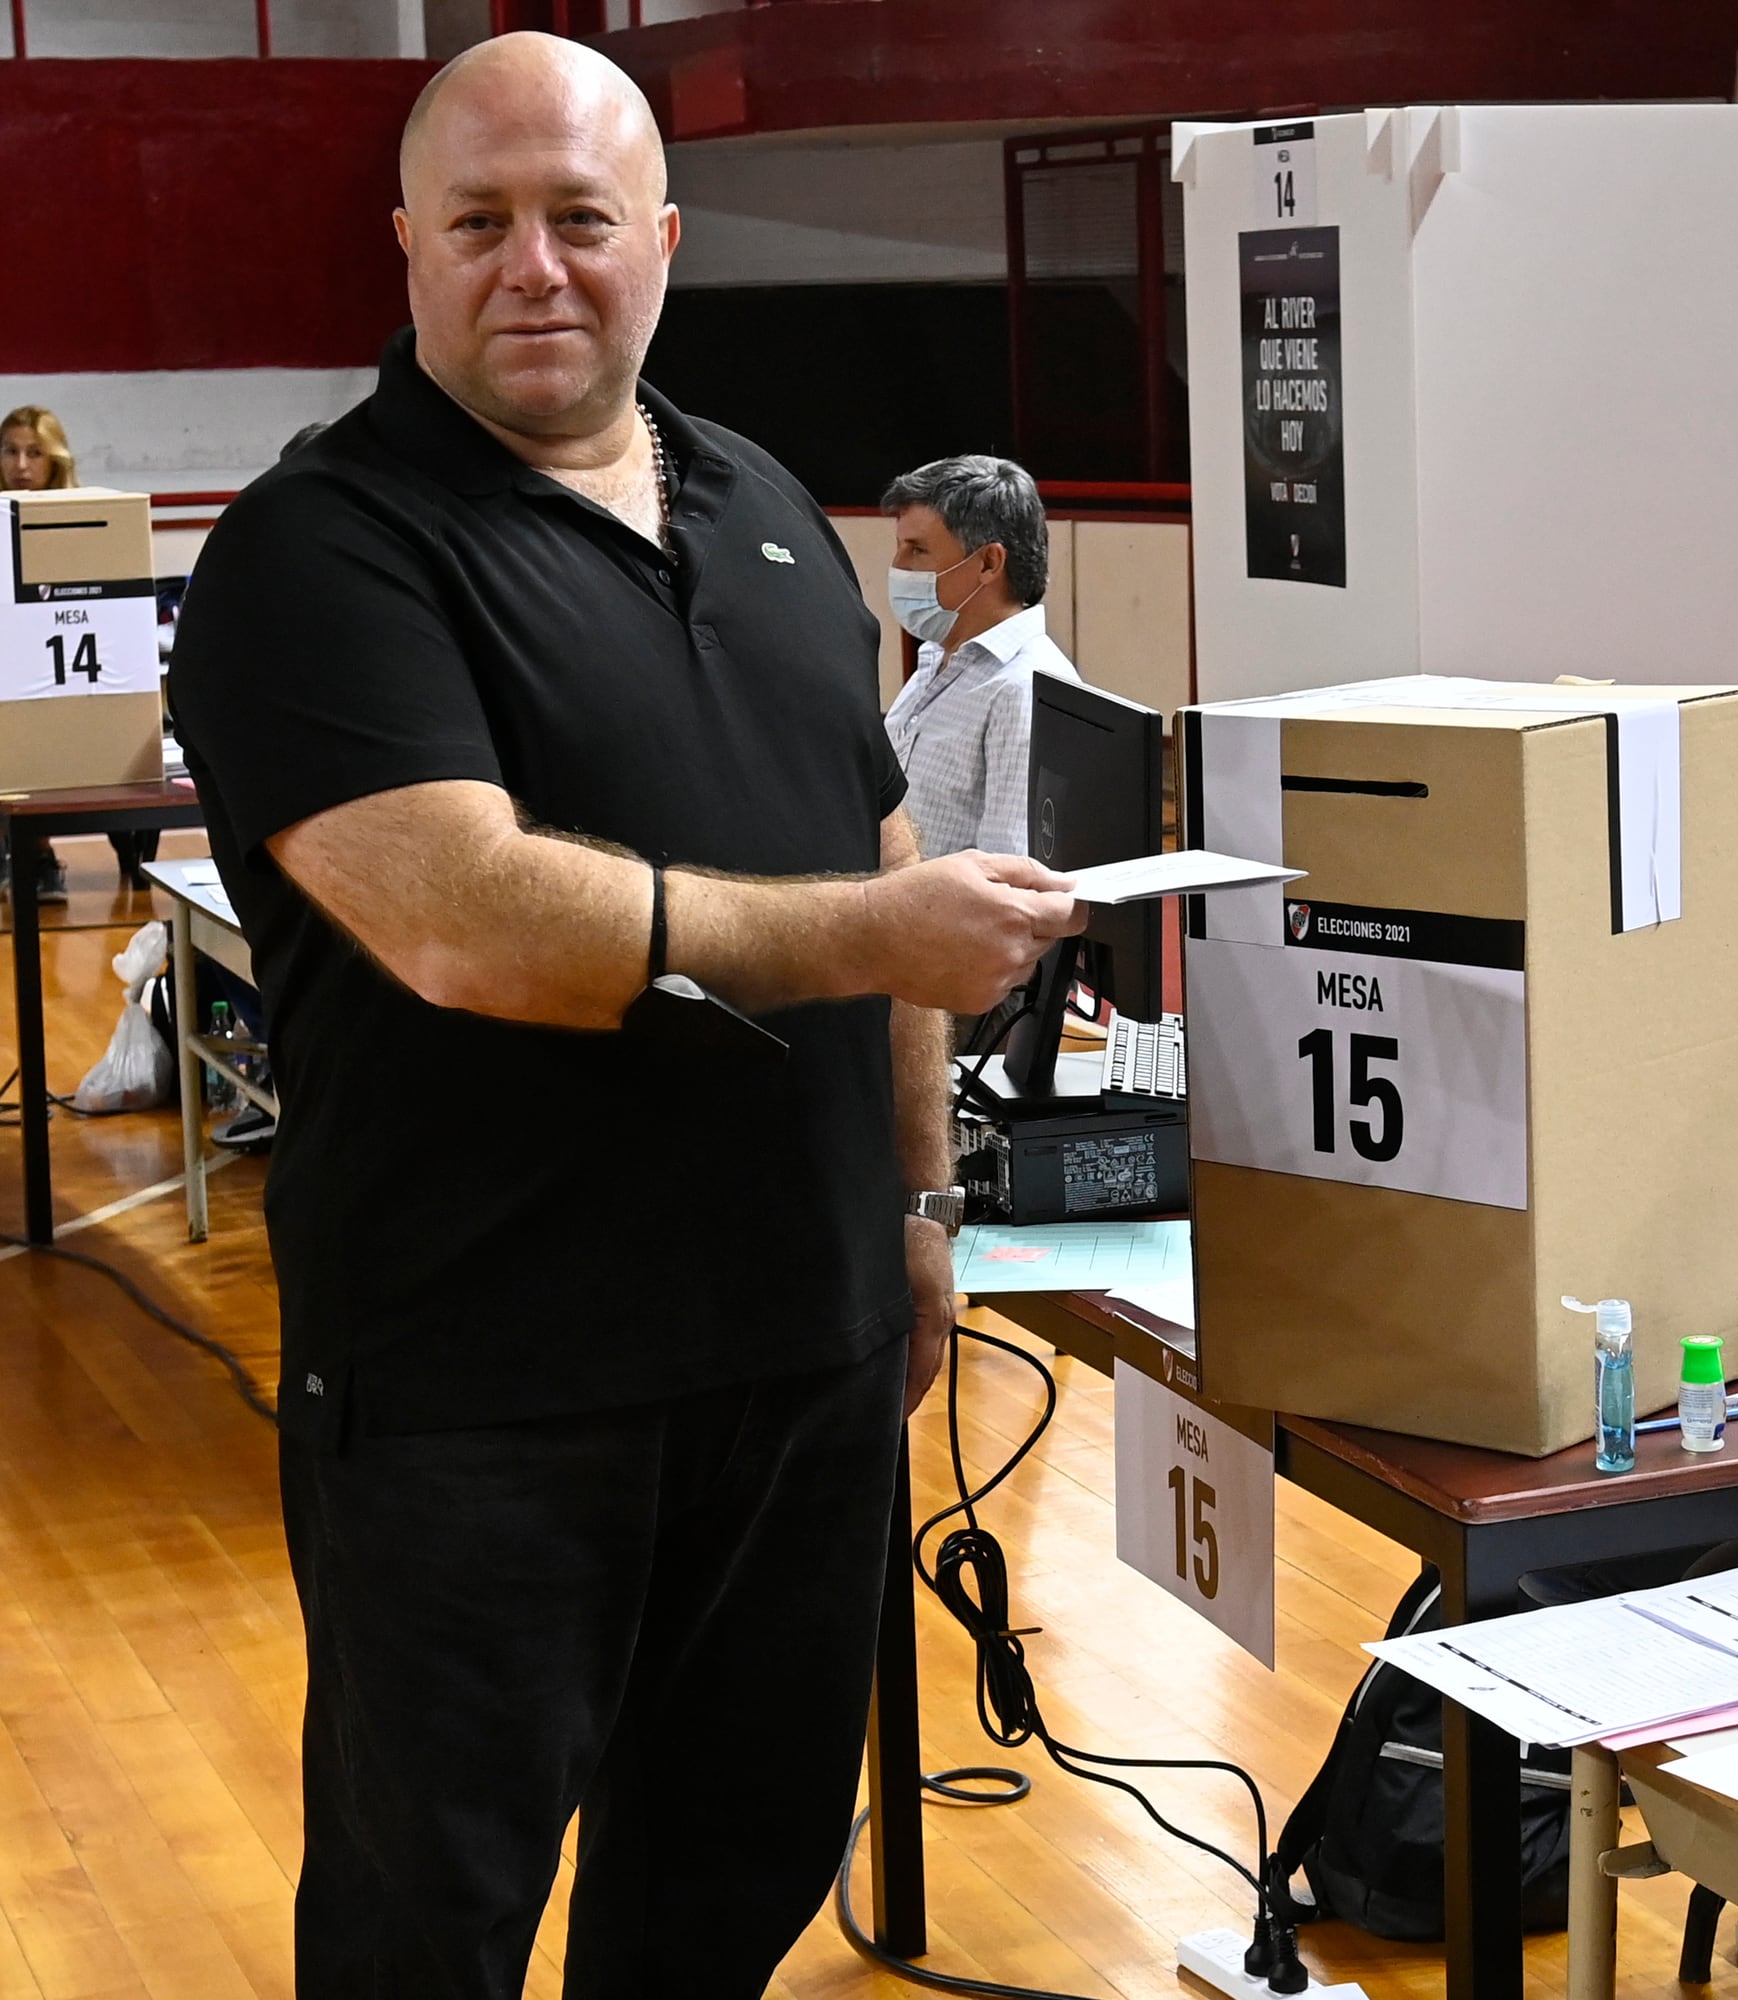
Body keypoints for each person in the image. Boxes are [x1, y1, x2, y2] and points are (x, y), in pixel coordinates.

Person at [170, 35, 1085, 1998]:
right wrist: (875, 935)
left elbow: (878, 823)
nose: (536, 268)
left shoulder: (759, 500)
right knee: (434, 1924)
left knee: (731, 1879)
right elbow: (471, 920)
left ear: (658, 240)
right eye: (481, 223)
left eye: (581, 220)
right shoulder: (320, 552)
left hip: (801, 1361)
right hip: (482, 1395)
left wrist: (920, 1215)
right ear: (403, 245)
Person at [881, 453, 1081, 861]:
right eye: (900, 547)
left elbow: (1008, 876)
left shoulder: (1025, 688)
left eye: (917, 550)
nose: (898, 565)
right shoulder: (936, 659)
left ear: (989, 562)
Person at [3, 405, 80, 901]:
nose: (22, 465)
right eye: (10, 451)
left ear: (54, 460)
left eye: (34, 452)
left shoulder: (78, 519)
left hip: (55, 659)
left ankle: (38, 854)